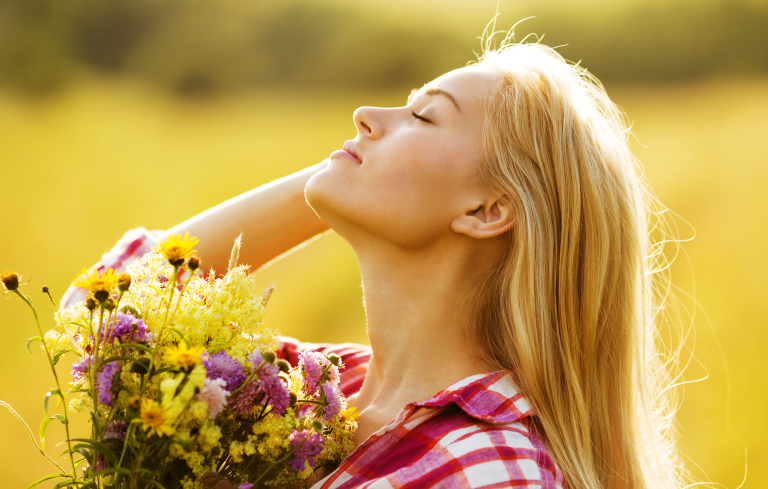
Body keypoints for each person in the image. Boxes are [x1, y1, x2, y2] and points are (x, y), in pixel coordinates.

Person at [63, 38, 688, 489]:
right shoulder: (310, 393)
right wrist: (348, 168)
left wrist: (362, 168)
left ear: (487, 209)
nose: (366, 114)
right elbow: (107, 308)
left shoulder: (490, 470)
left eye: (422, 115)